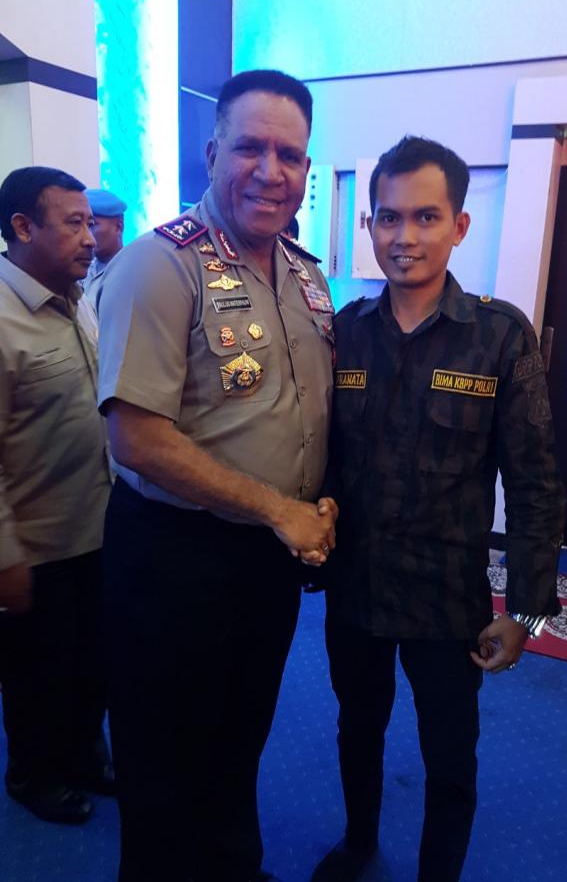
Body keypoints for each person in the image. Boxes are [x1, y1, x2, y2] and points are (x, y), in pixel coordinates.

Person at [97, 69, 338, 882]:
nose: (270, 171)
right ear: (211, 154)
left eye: (289, 155)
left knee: (240, 738)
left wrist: (312, 505)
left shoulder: (305, 275)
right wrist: (278, 507)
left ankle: (233, 868)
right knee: (163, 760)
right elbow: (136, 438)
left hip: (266, 559)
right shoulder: (159, 267)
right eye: (249, 148)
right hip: (173, 557)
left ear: (306, 169)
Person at [312, 136, 565, 882]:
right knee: (356, 729)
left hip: (447, 599)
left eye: (426, 217)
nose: (406, 237)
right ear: (370, 224)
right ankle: (359, 842)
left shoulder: (498, 335)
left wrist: (527, 613)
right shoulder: (345, 331)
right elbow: (322, 459)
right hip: (356, 589)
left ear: (459, 225)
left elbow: (535, 482)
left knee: (450, 756)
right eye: (389, 218)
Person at [0, 166, 114, 825]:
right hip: (35, 546)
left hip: (98, 527)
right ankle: (32, 775)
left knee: (92, 660)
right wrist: (5, 556)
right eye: (73, 223)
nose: (91, 237)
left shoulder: (79, 299)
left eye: (90, 222)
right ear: (23, 227)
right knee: (36, 673)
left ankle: (81, 755)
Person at [81, 187, 127, 313]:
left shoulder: (131, 273)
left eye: (91, 225)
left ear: (118, 227)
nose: (85, 234)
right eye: (78, 224)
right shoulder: (83, 270)